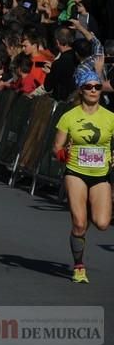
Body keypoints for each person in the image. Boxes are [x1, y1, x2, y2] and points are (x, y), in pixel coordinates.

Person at [53, 72, 112, 284]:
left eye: (97, 86)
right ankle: (78, 266)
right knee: (79, 223)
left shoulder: (110, 117)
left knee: (103, 222)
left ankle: (85, 210)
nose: (94, 90)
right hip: (76, 172)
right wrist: (63, 154)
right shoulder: (69, 116)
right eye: (89, 87)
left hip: (100, 175)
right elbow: (56, 148)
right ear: (81, 89)